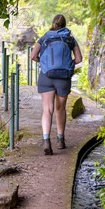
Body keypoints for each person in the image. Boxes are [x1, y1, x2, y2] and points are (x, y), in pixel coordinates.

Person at [31, 14, 82, 155]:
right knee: (60, 109)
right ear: (64, 25)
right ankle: (60, 140)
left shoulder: (44, 37)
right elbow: (79, 59)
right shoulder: (70, 39)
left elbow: (33, 56)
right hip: (63, 79)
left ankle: (46, 141)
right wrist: (68, 64)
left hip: (46, 77)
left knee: (47, 109)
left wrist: (44, 62)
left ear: (53, 23)